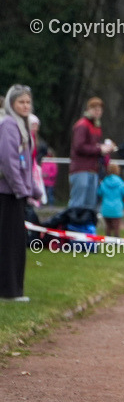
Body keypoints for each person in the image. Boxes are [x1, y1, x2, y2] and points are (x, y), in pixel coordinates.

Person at [0, 85, 42, 301]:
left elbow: (26, 164)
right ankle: (8, 291)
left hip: (17, 193)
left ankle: (13, 289)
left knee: (16, 241)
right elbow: (9, 161)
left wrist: (34, 190)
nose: (25, 106)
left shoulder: (22, 125)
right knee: (9, 242)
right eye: (21, 102)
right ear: (12, 104)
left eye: (28, 102)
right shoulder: (9, 124)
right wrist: (20, 190)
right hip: (8, 194)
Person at [69, 96, 115, 210]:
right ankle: (72, 226)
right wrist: (100, 149)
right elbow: (79, 146)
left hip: (93, 170)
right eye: (95, 109)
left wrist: (105, 149)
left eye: (99, 110)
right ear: (88, 109)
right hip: (81, 169)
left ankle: (86, 227)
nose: (97, 112)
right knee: (78, 203)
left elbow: (93, 146)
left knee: (90, 205)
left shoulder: (96, 126)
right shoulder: (82, 125)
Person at [97, 162, 124, 237]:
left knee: (108, 227)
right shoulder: (120, 182)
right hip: (116, 208)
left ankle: (108, 241)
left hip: (106, 208)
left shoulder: (104, 181)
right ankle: (116, 241)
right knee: (116, 228)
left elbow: (99, 193)